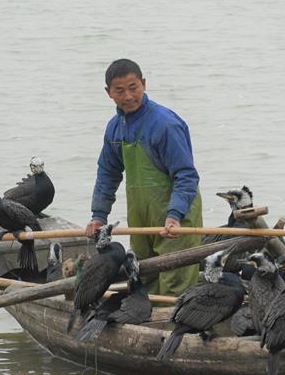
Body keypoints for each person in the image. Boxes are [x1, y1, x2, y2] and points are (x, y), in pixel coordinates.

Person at [85, 59, 203, 296]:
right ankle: (144, 326)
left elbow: (186, 176)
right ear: (109, 93)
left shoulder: (165, 125)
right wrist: (99, 216)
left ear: (144, 84)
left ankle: (172, 329)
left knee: (175, 281)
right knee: (143, 274)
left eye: (133, 87)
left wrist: (174, 215)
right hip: (141, 217)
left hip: (175, 215)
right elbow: (107, 173)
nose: (128, 96)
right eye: (120, 91)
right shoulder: (114, 129)